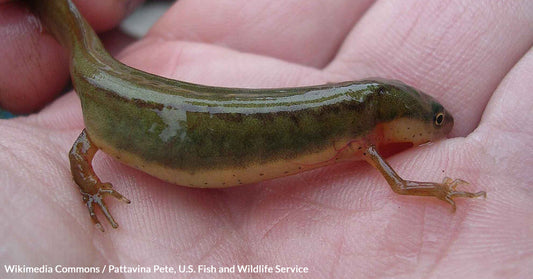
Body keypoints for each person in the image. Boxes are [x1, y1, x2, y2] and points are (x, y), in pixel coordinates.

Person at [0, 0, 531, 277]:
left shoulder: (364, 129)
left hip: (120, 98)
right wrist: (439, 190)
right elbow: (82, 146)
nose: (439, 128)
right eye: (435, 121)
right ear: (394, 117)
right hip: (117, 105)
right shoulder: (363, 133)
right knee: (93, 128)